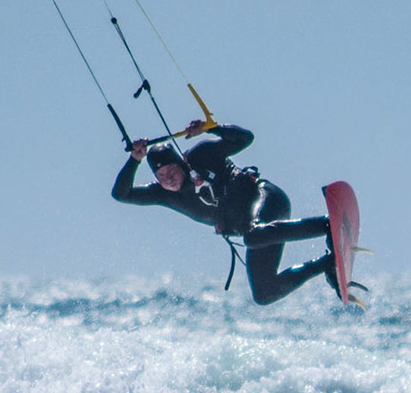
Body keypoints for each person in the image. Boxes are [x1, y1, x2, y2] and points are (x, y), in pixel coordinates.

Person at [111, 121, 344, 305]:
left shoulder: (200, 156)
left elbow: (245, 138)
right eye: (161, 176)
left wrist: (211, 128)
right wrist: (134, 160)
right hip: (256, 232)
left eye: (171, 170)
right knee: (264, 293)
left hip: (267, 199)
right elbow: (121, 194)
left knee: (253, 237)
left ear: (181, 164)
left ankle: (328, 224)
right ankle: (326, 263)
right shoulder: (163, 193)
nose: (168, 179)